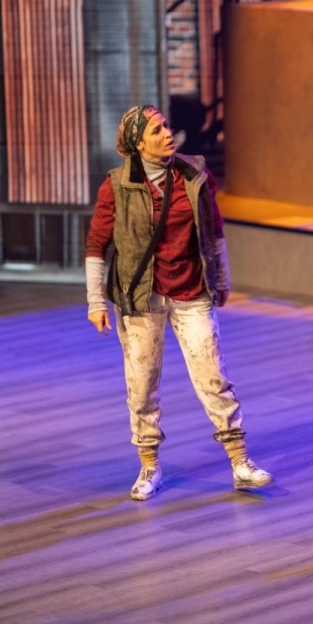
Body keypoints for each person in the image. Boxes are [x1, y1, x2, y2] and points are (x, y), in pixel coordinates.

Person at [85, 104, 273, 501]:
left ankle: (240, 462)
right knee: (141, 385)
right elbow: (96, 244)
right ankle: (149, 466)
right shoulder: (116, 185)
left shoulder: (194, 174)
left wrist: (221, 278)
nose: (167, 133)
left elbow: (215, 230)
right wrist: (95, 301)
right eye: (156, 130)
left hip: (191, 290)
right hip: (140, 297)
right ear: (138, 144)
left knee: (213, 377)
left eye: (166, 126)